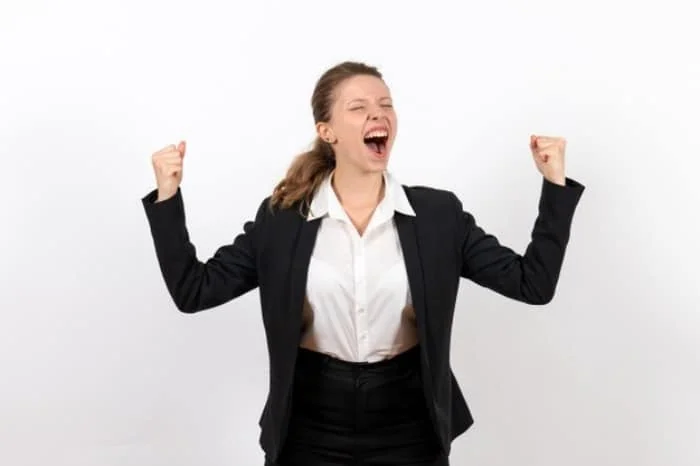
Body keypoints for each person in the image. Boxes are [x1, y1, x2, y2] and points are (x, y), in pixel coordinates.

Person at [141, 61, 585, 466]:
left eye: (386, 105)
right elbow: (194, 290)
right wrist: (168, 195)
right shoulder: (282, 220)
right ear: (327, 130)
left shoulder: (439, 216)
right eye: (359, 107)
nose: (378, 114)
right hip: (309, 426)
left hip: (409, 425)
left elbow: (532, 283)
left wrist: (555, 185)